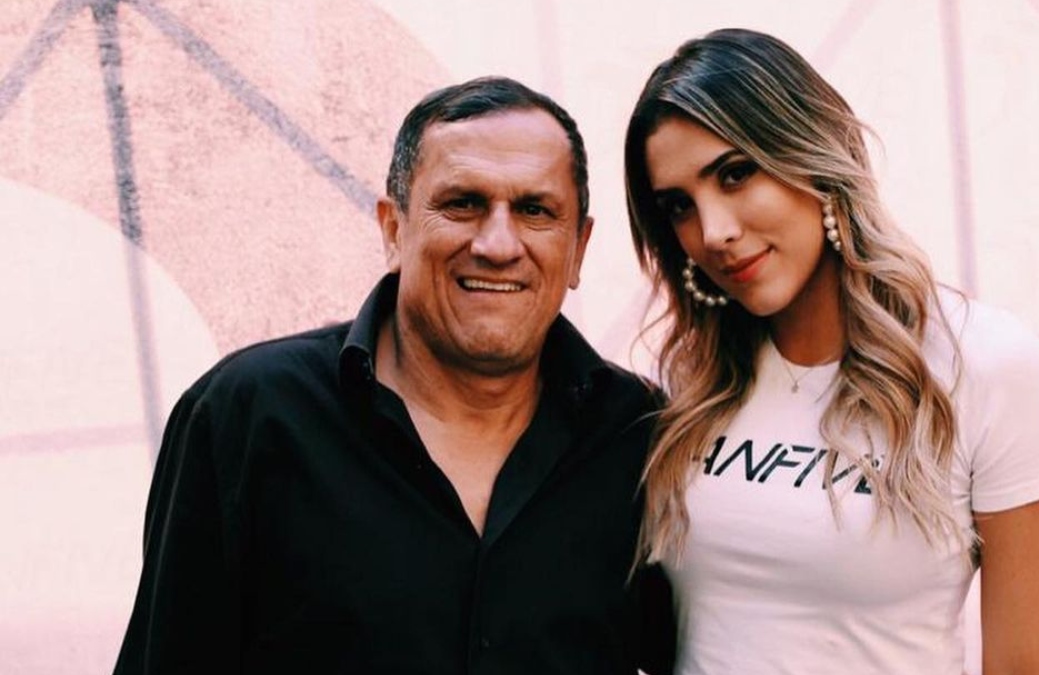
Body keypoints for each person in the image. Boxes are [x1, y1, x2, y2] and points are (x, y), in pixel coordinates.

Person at [114, 76, 674, 675]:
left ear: (578, 248)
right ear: (393, 229)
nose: (497, 244)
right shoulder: (248, 415)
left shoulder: (641, 438)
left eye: (535, 211)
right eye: (462, 203)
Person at [624, 29, 1039, 675]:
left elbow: (1026, 664)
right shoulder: (693, 380)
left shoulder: (986, 366)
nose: (714, 232)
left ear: (815, 156)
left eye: (735, 173)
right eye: (679, 206)